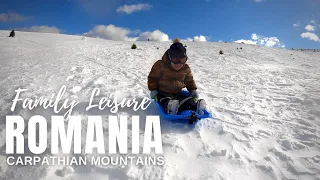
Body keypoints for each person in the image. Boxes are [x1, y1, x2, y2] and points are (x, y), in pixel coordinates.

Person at [147, 38, 206, 115]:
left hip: (178, 92)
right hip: (163, 91)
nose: (179, 64)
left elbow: (189, 80)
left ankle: (196, 107)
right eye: (176, 61)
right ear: (169, 58)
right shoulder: (160, 65)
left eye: (182, 61)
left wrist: (192, 90)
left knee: (186, 100)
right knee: (165, 99)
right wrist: (153, 89)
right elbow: (152, 78)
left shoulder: (185, 68)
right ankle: (170, 108)